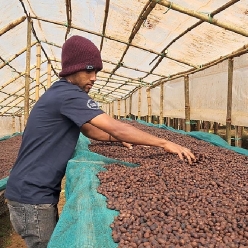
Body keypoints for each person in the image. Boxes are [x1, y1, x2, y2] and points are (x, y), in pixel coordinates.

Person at [5, 35, 195, 248]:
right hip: (31, 198)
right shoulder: (69, 94)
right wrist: (163, 143)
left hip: (32, 194)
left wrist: (117, 139)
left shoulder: (62, 92)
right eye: (88, 70)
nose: (94, 77)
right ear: (71, 69)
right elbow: (115, 126)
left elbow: (91, 130)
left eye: (96, 71)